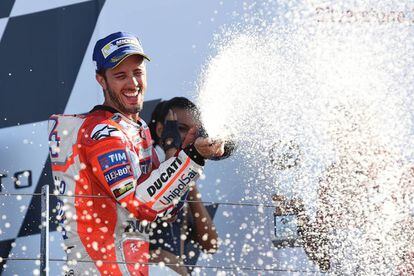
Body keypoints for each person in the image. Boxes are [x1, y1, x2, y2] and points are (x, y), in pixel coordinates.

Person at [48, 31, 225, 275]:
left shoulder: (137, 128)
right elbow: (140, 205)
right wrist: (191, 157)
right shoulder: (101, 132)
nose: (132, 83)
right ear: (101, 80)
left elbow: (168, 209)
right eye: (120, 76)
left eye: (138, 72)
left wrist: (185, 152)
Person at [147, 97, 219, 274]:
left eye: (193, 132)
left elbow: (210, 244)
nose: (187, 137)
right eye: (179, 129)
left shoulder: (187, 176)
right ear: (161, 129)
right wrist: (176, 161)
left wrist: (188, 177)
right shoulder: (142, 166)